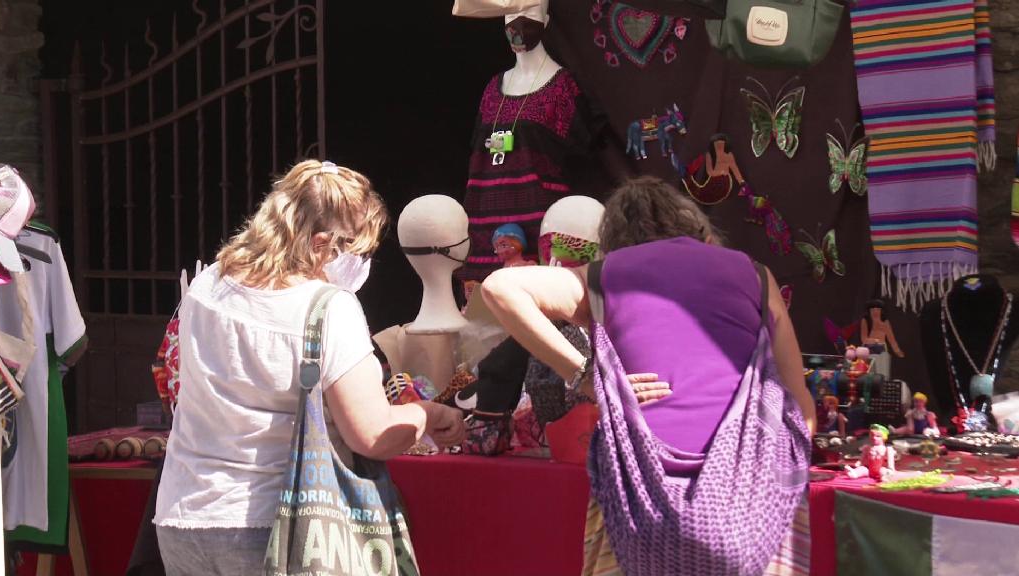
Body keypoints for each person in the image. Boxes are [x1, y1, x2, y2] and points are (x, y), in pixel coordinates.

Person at [481, 176, 815, 575]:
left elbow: (499, 288)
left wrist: (583, 376)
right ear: (695, 227)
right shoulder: (755, 275)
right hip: (751, 513)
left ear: (615, 240)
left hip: (641, 508)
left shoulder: (604, 275)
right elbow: (802, 407)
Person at [152, 160, 466, 575]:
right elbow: (370, 434)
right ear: (321, 244)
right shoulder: (329, 307)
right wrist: (428, 413)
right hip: (273, 526)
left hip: (183, 517)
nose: (361, 262)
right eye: (356, 249)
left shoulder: (209, 283)